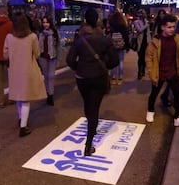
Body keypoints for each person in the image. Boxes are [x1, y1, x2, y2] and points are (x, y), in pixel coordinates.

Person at [66, 8, 119, 156]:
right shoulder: (104, 39)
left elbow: (69, 60)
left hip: (82, 78)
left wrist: (79, 68)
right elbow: (114, 60)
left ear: (85, 20)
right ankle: (88, 145)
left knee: (88, 105)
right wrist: (103, 66)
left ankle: (91, 126)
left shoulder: (79, 38)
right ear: (97, 20)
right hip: (98, 78)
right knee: (94, 107)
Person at [3, 12, 47, 137]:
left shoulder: (9, 37)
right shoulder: (32, 37)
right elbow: (37, 54)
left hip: (14, 71)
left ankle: (21, 120)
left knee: (18, 97)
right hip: (28, 70)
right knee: (26, 99)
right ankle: (23, 127)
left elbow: (5, 55)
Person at [145, 14, 179, 127]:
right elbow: (149, 57)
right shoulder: (156, 41)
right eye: (169, 27)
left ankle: (177, 117)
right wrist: (151, 71)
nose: (172, 29)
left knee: (177, 94)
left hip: (173, 71)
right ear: (162, 27)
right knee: (154, 93)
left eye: (173, 27)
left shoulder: (177, 38)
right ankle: (150, 111)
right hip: (159, 72)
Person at [38, 15, 59, 106]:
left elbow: (58, 46)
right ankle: (47, 93)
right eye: (44, 22)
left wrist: (58, 58)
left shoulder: (54, 33)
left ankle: (51, 95)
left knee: (51, 76)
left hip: (52, 57)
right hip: (42, 57)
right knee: (46, 76)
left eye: (47, 22)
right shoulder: (40, 33)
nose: (45, 24)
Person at [108, 11, 130, 85]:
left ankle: (113, 78)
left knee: (114, 61)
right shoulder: (123, 25)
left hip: (113, 46)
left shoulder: (112, 25)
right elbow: (126, 37)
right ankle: (120, 78)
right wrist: (127, 46)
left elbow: (109, 35)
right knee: (120, 61)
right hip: (121, 45)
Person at [133, 9, 151, 80]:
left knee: (145, 58)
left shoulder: (146, 21)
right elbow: (139, 30)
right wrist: (146, 25)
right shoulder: (136, 22)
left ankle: (143, 70)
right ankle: (139, 72)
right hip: (140, 42)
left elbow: (148, 33)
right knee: (140, 57)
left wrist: (150, 41)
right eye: (142, 14)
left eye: (144, 13)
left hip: (146, 42)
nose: (144, 15)